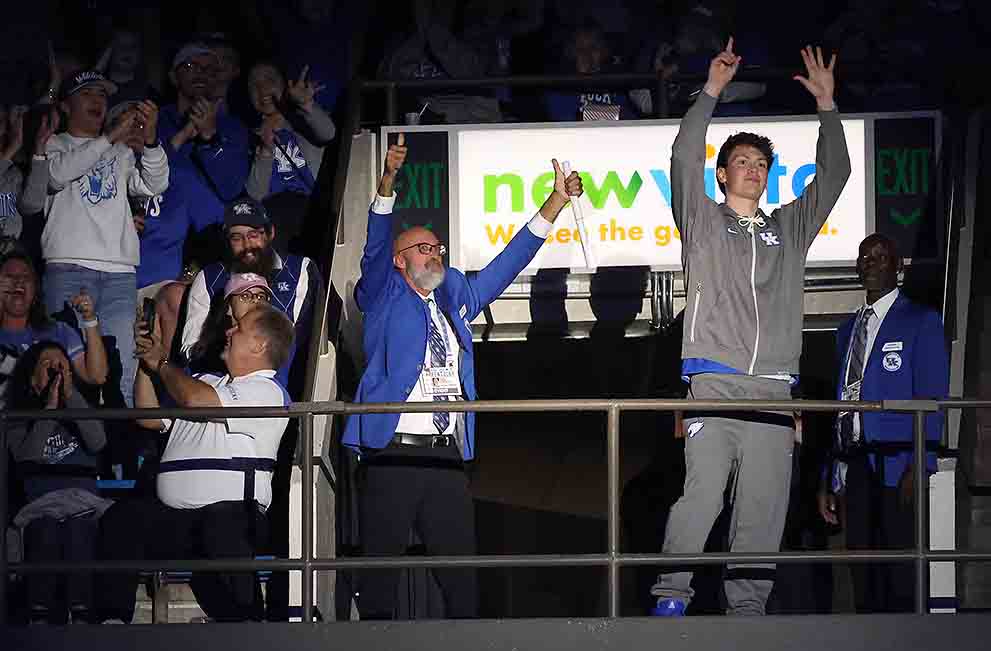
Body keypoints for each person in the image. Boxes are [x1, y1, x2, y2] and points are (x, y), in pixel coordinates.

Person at [650, 40, 851, 616]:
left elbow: (834, 174)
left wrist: (827, 106)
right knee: (699, 501)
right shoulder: (703, 221)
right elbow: (682, 158)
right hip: (713, 388)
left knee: (762, 512)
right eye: (741, 161)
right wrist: (710, 91)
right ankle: (671, 600)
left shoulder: (788, 228)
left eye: (761, 164)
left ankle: (747, 612)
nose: (753, 169)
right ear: (722, 173)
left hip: (773, 393)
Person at [345, 133, 583, 619]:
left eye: (439, 247)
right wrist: (388, 182)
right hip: (393, 454)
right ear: (400, 261)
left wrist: (555, 202)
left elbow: (505, 266)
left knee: (461, 576)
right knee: (380, 577)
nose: (436, 253)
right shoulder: (383, 294)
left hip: (448, 458)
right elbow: (372, 248)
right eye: (423, 248)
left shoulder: (452, 295)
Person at [94, 303, 294, 623]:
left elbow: (194, 401)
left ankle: (250, 627)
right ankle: (111, 622)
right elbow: (148, 416)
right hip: (181, 519)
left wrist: (162, 363)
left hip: (234, 519)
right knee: (124, 518)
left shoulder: (267, 390)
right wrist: (147, 365)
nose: (228, 332)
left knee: (221, 524)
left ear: (260, 345)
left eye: (238, 329)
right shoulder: (205, 383)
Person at [179, 196, 321, 620]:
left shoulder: (300, 270)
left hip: (280, 406)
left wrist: (257, 320)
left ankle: (271, 613)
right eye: (237, 237)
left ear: (270, 233)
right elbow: (190, 348)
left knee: (279, 514)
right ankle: (240, 614)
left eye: (254, 234)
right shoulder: (212, 278)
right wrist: (232, 332)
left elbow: (296, 339)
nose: (246, 245)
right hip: (226, 403)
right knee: (225, 521)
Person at [818, 233, 948, 613]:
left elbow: (931, 397)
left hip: (897, 465)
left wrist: (920, 462)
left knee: (900, 573)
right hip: (855, 462)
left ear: (898, 267)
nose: (872, 263)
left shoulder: (921, 321)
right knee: (862, 570)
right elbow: (840, 404)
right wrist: (830, 474)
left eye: (881, 256)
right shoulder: (846, 330)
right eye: (865, 257)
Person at [42, 70, 168, 412]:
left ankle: (122, 462)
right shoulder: (56, 145)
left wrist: (153, 141)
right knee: (71, 367)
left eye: (102, 94)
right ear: (66, 106)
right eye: (87, 94)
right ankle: (77, 456)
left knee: (122, 371)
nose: (98, 101)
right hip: (68, 269)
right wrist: (111, 136)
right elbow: (56, 176)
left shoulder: (121, 153)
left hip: (119, 274)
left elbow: (154, 186)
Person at [6, 340, 110, 625]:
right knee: (45, 528)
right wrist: (49, 408)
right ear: (31, 377)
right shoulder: (17, 420)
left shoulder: (79, 409)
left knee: (78, 527)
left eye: (61, 365)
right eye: (47, 365)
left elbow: (98, 441)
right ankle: (39, 614)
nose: (55, 371)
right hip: (41, 507)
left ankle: (82, 613)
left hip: (83, 504)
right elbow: (28, 457)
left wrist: (70, 395)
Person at [245, 62, 335, 255]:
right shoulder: (250, 136)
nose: (262, 89)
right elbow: (255, 195)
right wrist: (265, 151)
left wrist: (307, 105)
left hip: (313, 209)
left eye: (269, 80)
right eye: (254, 85)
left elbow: (328, 133)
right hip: (273, 220)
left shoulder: (303, 120)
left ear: (285, 85)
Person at [0, 251, 108, 408]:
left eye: (25, 277)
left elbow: (97, 377)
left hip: (55, 426)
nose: (18, 282)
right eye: (9, 277)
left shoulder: (59, 332)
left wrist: (89, 319)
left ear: (36, 289)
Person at [187, 272, 273, 375]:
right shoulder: (211, 351)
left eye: (261, 297)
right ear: (229, 306)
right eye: (245, 296)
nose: (255, 300)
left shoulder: (276, 344)